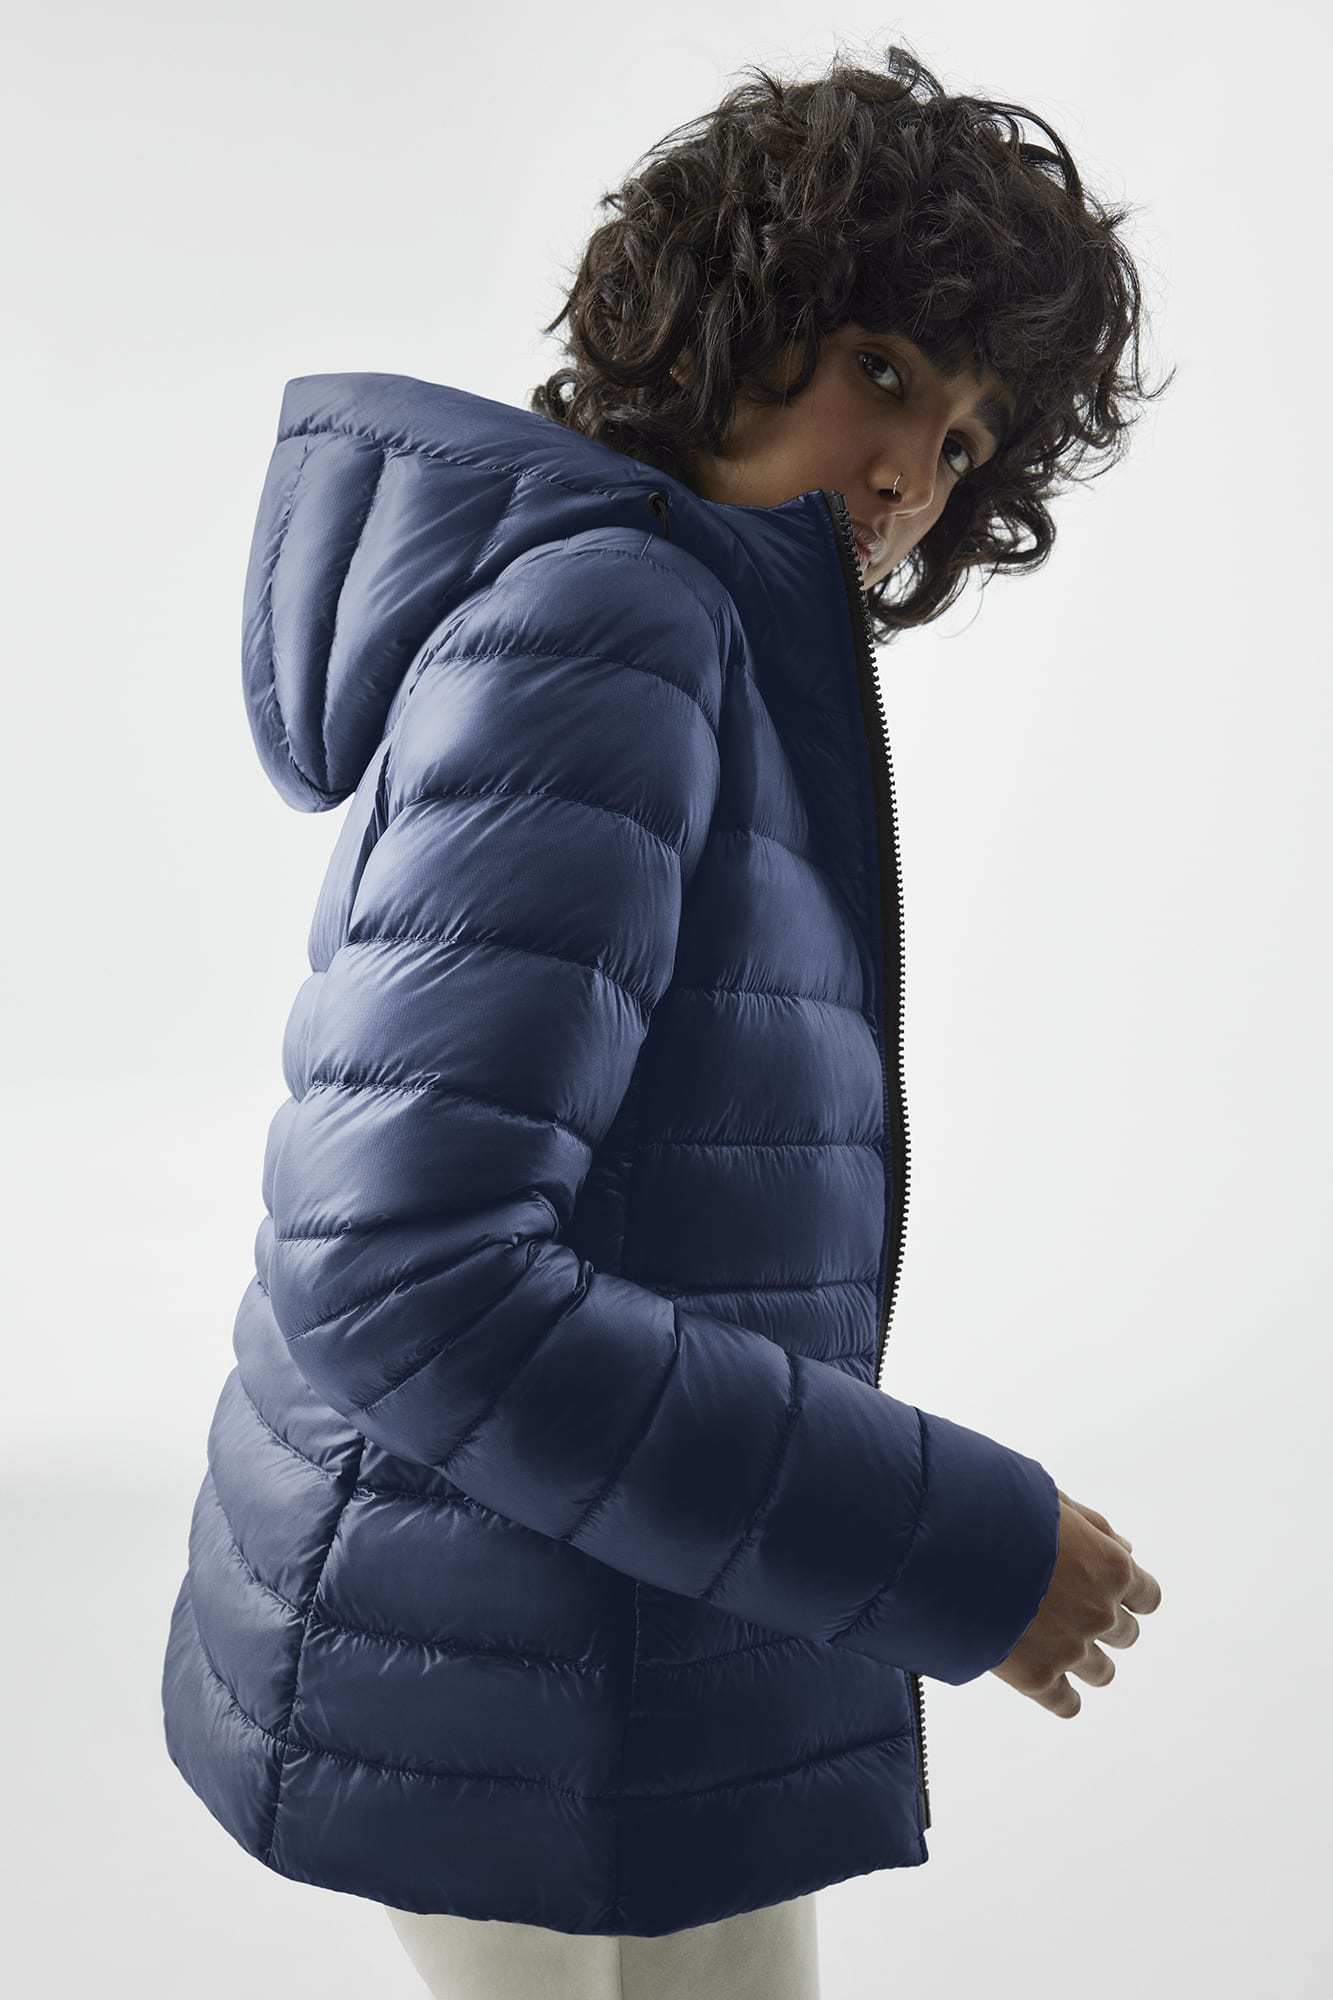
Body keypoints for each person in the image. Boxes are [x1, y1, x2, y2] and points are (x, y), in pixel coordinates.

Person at [160, 44, 1166, 1999]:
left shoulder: (686, 634)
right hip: (481, 1646)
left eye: (964, 440)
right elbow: (403, 1273)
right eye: (883, 367)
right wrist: (947, 1543)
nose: (910, 472)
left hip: (629, 1617)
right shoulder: (607, 622)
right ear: (727, 315)